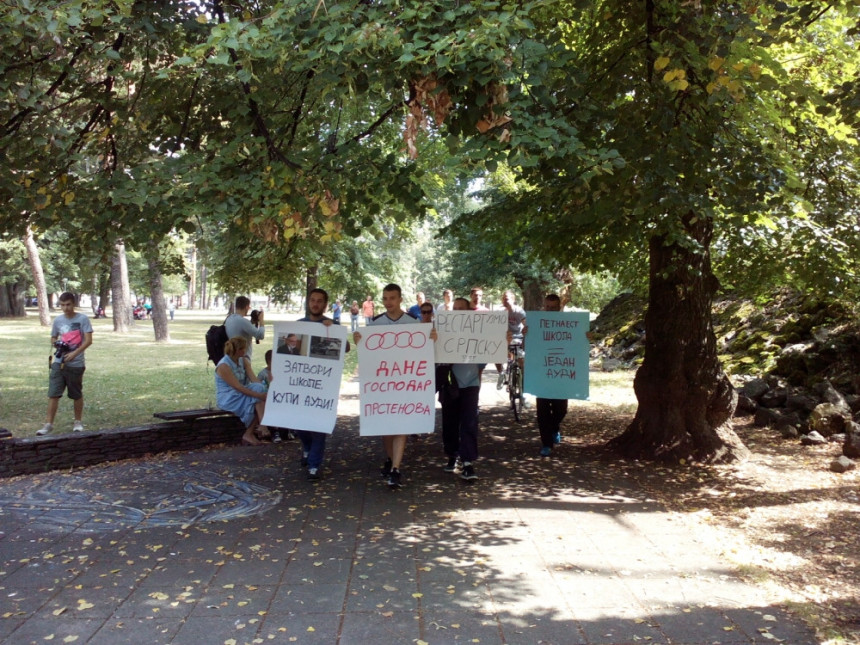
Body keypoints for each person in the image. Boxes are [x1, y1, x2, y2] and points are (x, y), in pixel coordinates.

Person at [354, 283, 419, 489]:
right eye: (385, 298)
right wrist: (359, 342)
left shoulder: (412, 322)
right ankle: (391, 460)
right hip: (383, 386)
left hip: (405, 384)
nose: (388, 302)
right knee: (387, 427)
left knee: (402, 426)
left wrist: (431, 339)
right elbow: (369, 354)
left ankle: (396, 469)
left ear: (400, 299)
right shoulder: (375, 324)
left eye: (392, 298)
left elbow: (421, 351)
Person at [295, 288, 350, 481]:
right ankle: (308, 448)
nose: (315, 304)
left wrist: (333, 330)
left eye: (319, 301)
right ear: (308, 302)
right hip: (301, 384)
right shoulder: (299, 325)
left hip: (323, 385)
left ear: (325, 305)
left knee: (319, 426)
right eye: (312, 300)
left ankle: (314, 466)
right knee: (299, 424)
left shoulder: (331, 324)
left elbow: (347, 347)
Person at [37, 292, 94, 435]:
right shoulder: (58, 320)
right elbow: (53, 337)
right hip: (58, 362)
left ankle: (78, 422)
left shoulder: (83, 319)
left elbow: (88, 340)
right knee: (53, 393)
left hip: (76, 364)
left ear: (73, 304)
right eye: (62, 305)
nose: (65, 308)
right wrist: (57, 344)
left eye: (68, 304)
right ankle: (48, 424)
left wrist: (74, 353)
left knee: (76, 394)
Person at [439, 297, 481, 480]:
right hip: (449, 383)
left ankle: (468, 462)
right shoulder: (443, 330)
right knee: (450, 422)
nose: (457, 312)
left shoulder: (478, 331)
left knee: (469, 422)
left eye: (461, 308)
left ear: (469, 311)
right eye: (454, 309)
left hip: (470, 383)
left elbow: (489, 350)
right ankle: (452, 455)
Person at [531, 294, 569, 456]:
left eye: (554, 308)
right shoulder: (536, 324)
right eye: (548, 307)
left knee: (561, 409)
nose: (551, 310)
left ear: (559, 307)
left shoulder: (569, 325)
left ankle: (554, 428)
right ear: (544, 307)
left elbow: (577, 344)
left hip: (562, 373)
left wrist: (585, 337)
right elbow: (530, 345)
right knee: (543, 412)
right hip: (542, 374)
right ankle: (546, 443)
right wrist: (527, 333)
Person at [215, 336, 267, 446]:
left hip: (242, 392)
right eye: (242, 349)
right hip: (229, 396)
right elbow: (238, 387)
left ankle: (257, 428)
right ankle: (261, 425)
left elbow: (255, 380)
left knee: (259, 389)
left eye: (245, 348)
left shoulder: (243, 360)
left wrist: (266, 391)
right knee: (258, 398)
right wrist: (260, 395)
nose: (245, 351)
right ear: (235, 350)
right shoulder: (223, 365)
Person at [496, 290, 527, 390]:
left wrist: (525, 331)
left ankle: (523, 383)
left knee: (521, 359)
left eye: (507, 299)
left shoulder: (519, 311)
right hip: (503, 338)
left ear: (513, 300)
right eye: (503, 299)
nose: (505, 301)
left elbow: (526, 323)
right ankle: (501, 373)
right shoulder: (499, 312)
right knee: (496, 353)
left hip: (517, 337)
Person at [225, 296, 265, 362]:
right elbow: (260, 335)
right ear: (246, 307)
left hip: (232, 357)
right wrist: (261, 320)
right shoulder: (243, 321)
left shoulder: (229, 319)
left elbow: (241, 329)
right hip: (243, 359)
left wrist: (252, 322)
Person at [257, 349, 285, 444]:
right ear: (269, 361)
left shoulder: (280, 372)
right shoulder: (263, 374)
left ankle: (287, 430)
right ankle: (274, 432)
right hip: (267, 398)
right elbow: (259, 387)